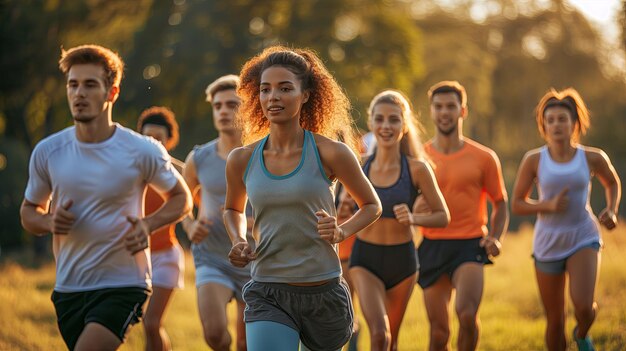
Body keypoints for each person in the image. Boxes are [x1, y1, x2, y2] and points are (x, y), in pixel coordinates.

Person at [19, 44, 192, 351]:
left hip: (125, 284)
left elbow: (182, 198)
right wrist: (48, 220)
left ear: (112, 92)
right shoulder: (48, 151)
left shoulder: (141, 150)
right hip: (68, 287)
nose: (79, 93)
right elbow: (29, 212)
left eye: (90, 85)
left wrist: (147, 224)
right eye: (73, 84)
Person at [223, 46, 382, 351]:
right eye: (265, 89)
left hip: (322, 292)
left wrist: (341, 231)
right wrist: (237, 238)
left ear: (306, 94)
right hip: (267, 290)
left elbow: (372, 205)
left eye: (285, 89)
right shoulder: (241, 158)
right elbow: (232, 208)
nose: (273, 97)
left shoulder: (331, 152)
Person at [511, 88, 621, 351]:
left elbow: (613, 183)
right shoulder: (534, 160)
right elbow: (517, 204)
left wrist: (612, 210)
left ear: (574, 123)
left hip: (583, 234)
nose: (556, 125)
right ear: (543, 126)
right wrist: (546, 205)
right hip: (548, 241)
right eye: (550, 120)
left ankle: (582, 334)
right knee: (555, 320)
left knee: (584, 307)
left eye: (562, 119)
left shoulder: (592, 157)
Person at [348, 90, 450, 351]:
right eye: (379, 119)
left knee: (391, 340)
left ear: (404, 126)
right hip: (364, 260)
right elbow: (340, 208)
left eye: (393, 120)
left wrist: (414, 218)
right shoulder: (358, 166)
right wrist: (343, 211)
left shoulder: (417, 169)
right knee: (379, 336)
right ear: (371, 123)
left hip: (402, 261)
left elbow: (443, 216)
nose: (386, 126)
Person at [418, 81, 509, 351]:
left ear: (463, 111)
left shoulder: (484, 157)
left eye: (450, 106)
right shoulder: (419, 156)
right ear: (432, 112)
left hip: (470, 243)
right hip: (432, 245)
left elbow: (500, 203)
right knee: (438, 332)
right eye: (438, 107)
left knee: (467, 315)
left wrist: (496, 237)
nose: (444, 112)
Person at [182, 75, 251, 351]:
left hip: (255, 259)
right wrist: (188, 226)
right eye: (218, 105)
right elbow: (179, 200)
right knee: (214, 335)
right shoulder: (198, 158)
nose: (223, 111)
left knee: (248, 343)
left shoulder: (263, 154)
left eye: (232, 104)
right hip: (212, 256)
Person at [137, 106, 186, 351]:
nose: (153, 142)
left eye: (159, 138)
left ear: (169, 141)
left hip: (166, 256)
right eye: (148, 138)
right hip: (135, 257)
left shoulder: (177, 173)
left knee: (151, 321)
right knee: (148, 325)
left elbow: (198, 201)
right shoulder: (133, 170)